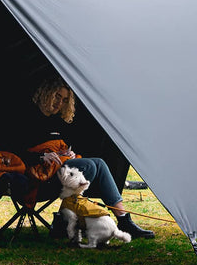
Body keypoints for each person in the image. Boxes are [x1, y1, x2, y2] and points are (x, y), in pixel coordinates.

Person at [12, 77, 155, 240]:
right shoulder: (27, 116)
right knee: (90, 166)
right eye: (57, 96)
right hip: (40, 174)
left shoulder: (58, 121)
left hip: (60, 169)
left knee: (99, 163)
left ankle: (123, 219)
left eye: (65, 100)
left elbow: (63, 147)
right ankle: (62, 220)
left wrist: (69, 153)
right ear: (47, 93)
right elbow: (14, 150)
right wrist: (42, 156)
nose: (59, 103)